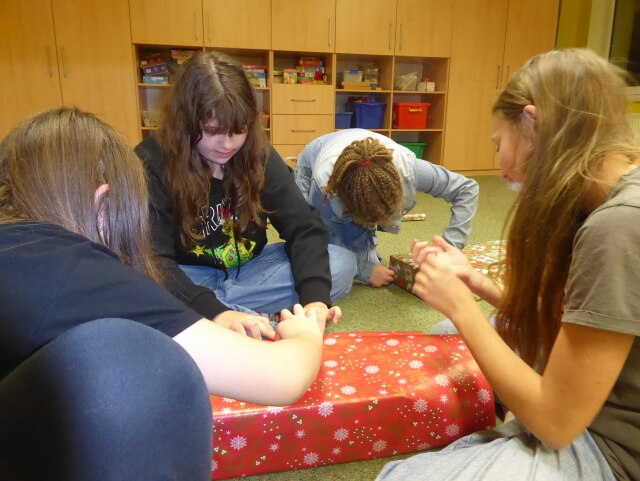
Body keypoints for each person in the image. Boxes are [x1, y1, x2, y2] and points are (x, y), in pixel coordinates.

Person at [0, 107, 326, 481]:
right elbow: (282, 376)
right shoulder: (76, 269)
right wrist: (304, 334)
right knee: (140, 359)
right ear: (104, 204)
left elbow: (303, 228)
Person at [376, 49, 640, 481]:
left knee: (402, 477)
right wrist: (476, 282)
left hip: (608, 445)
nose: (499, 166)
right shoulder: (603, 195)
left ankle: (509, 425)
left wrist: (461, 306)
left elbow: (557, 424)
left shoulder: (618, 225)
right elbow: (569, 321)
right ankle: (506, 418)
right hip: (587, 400)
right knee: (447, 337)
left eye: (499, 144)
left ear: (534, 125)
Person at [135, 51, 354, 336]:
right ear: (185, 121)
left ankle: (219, 317)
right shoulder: (151, 162)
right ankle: (228, 314)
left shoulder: (257, 152)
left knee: (341, 263)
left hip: (252, 270)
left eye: (239, 130)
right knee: (144, 284)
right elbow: (153, 259)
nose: (227, 144)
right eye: (212, 130)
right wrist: (217, 311)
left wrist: (314, 300)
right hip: (190, 276)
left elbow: (304, 227)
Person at [294, 129, 479, 287]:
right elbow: (317, 236)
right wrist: (365, 271)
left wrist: (450, 248)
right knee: (332, 261)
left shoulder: (409, 170)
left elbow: (466, 189)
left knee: (361, 255)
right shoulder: (324, 189)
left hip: (354, 164)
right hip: (313, 160)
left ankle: (361, 245)